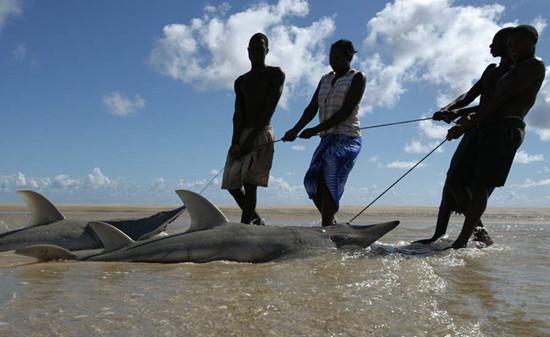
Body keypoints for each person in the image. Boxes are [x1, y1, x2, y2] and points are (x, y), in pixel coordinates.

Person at [444, 25, 545, 249]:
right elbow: (482, 98)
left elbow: (499, 101)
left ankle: (462, 241)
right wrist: (456, 111)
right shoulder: (504, 69)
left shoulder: (533, 66)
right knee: (455, 182)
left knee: (480, 186)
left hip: (506, 130)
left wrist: (464, 123)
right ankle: (481, 235)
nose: (513, 48)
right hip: (486, 127)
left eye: (517, 43)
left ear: (532, 41)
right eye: (510, 45)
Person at [415, 27, 515, 247]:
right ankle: (438, 235)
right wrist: (449, 107)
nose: (490, 46)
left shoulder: (515, 74)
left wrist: (459, 114)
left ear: (509, 45)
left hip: (495, 133)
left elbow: (494, 105)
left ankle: (474, 236)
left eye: (495, 42)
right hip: (474, 130)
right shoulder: (491, 70)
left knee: (478, 187)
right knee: (452, 182)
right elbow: (469, 95)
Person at [282, 39, 366, 226]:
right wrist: (295, 130)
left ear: (349, 57)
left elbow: (345, 111)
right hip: (327, 139)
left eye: (337, 58)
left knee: (330, 163)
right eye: (331, 57)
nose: (333, 61)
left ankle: (326, 225)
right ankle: (331, 222)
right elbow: (312, 108)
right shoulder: (325, 79)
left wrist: (314, 130)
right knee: (311, 179)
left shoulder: (357, 78)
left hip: (348, 138)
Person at [221, 33, 285, 225]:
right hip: (242, 135)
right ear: (248, 52)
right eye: (253, 49)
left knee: (250, 185)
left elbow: (269, 109)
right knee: (232, 184)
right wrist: (235, 143)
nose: (256, 52)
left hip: (262, 133)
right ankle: (256, 219)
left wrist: (250, 141)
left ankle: (245, 227)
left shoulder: (275, 74)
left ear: (267, 51)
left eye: (260, 48)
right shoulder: (241, 81)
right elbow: (238, 113)